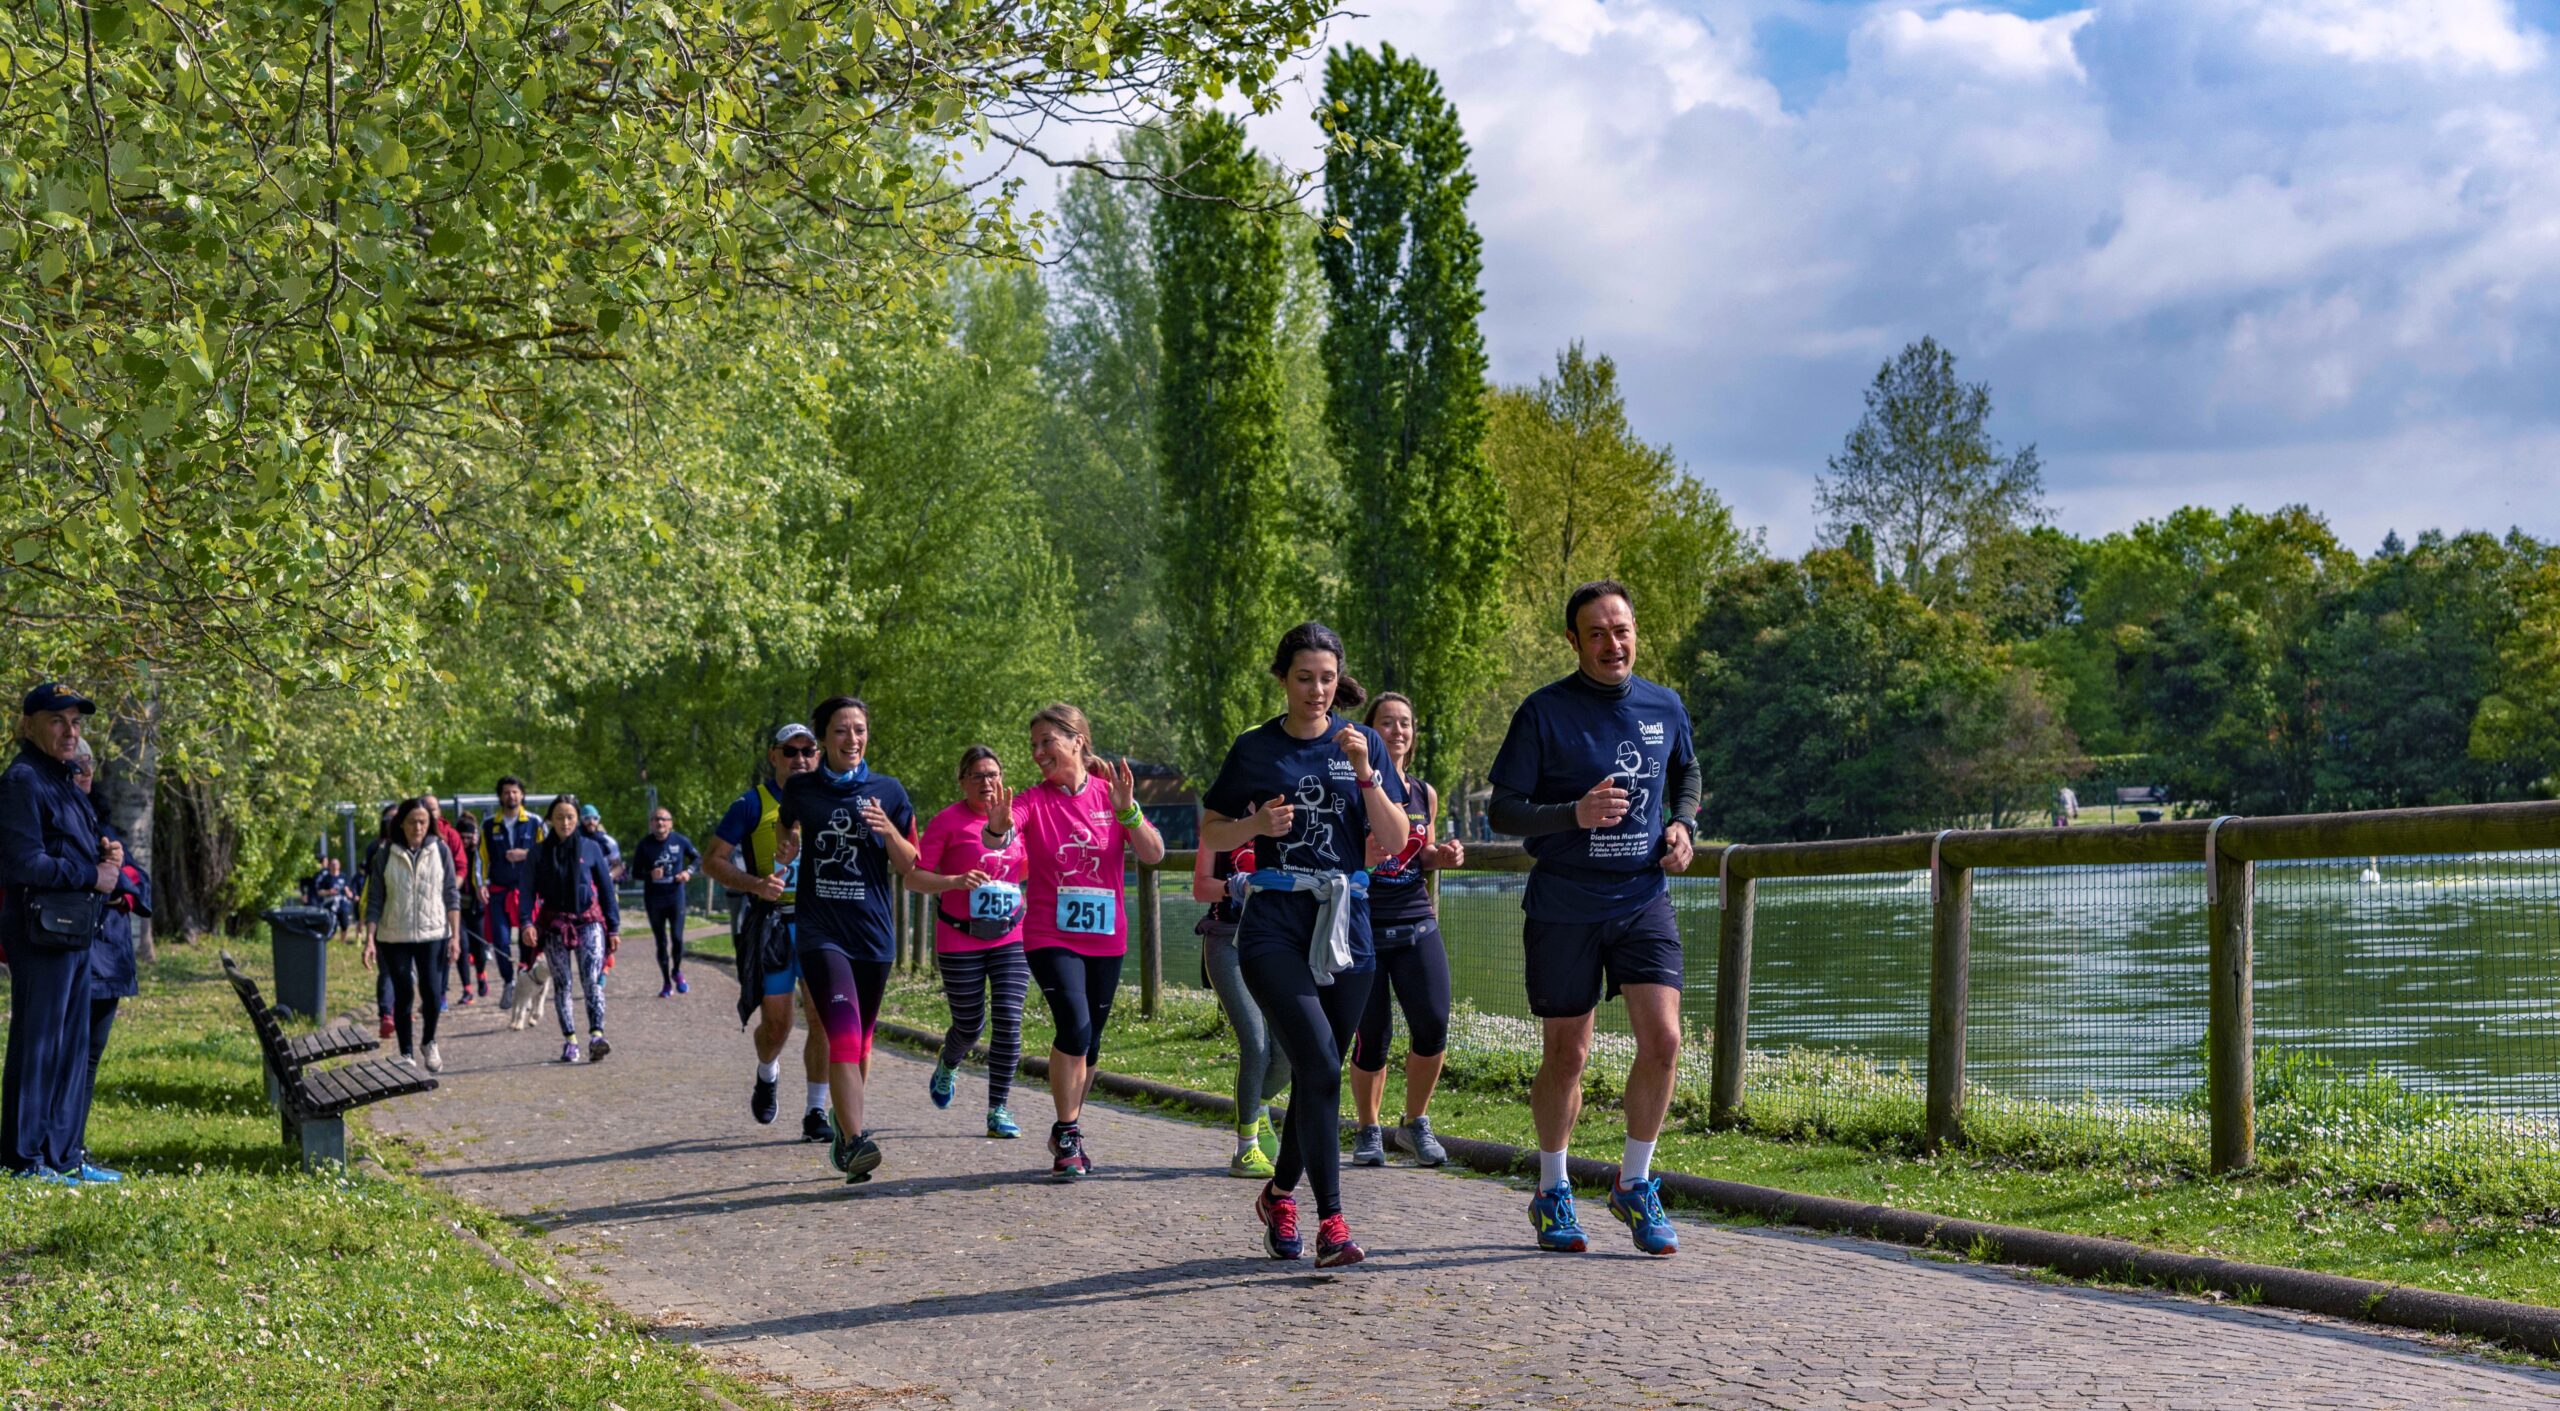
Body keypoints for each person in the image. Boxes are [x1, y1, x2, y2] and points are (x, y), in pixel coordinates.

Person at [1489, 579, 1699, 1257]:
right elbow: (1505, 809)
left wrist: (1683, 824)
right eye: (1599, 633)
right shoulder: (1544, 712)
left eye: (1623, 629)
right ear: (1575, 641)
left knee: (1664, 1039)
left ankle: (1634, 1183)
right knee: (1567, 1054)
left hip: (1640, 896)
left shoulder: (1664, 705)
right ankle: (1553, 1188)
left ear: (1638, 631)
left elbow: (1686, 774)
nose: (1614, 643)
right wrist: (1572, 815)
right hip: (1565, 903)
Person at [1198, 624, 1408, 1268]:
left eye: (1326, 678)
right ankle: (1333, 1224)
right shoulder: (1255, 748)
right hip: (1274, 926)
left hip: (1347, 925)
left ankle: (1279, 1194)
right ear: (1283, 679)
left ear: (1338, 680)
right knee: (1318, 1063)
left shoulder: (1363, 743)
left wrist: (1368, 775)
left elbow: (1396, 841)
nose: (1316, 690)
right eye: (1302, 677)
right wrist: (1254, 826)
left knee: (1319, 1074)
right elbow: (1210, 827)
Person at [981, 702, 1167, 1181]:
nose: (1039, 752)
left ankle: (1070, 1129)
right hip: (1049, 934)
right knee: (1076, 1029)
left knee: (1092, 1044)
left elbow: (1154, 853)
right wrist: (999, 824)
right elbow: (1001, 833)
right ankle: (1066, 1133)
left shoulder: (1111, 794)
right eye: (1034, 745)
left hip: (1106, 938)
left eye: (1048, 741)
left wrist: (1129, 811)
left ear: (1076, 741)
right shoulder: (1032, 799)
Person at [776, 696, 918, 1182]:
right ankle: (857, 1141)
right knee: (840, 1033)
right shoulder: (803, 788)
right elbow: (786, 823)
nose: (852, 739)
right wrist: (787, 840)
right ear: (823, 739)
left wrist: (887, 832)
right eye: (841, 730)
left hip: (873, 936)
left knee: (859, 1045)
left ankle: (843, 1129)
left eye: (859, 729)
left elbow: (910, 864)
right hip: (821, 933)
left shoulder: (890, 791)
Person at [0, 683, 121, 1184]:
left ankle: (63, 1155)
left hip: (74, 931)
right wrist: (91, 874)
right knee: (39, 1043)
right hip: (39, 929)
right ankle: (24, 1160)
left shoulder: (64, 780)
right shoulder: (22, 780)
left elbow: (76, 846)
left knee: (70, 1046)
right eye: (58, 721)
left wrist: (106, 857)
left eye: (76, 722)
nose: (70, 731)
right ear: (28, 724)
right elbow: (22, 861)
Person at [1347, 692, 1465, 1169]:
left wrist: (1444, 856)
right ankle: (1368, 1129)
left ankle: (1414, 1123)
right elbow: (1336, 850)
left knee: (1433, 1024)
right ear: (1371, 732)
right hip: (1365, 924)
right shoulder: (1356, 786)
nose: (1398, 731)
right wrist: (1363, 857)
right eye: (1388, 723)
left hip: (1417, 919)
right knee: (1372, 1036)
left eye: (1406, 724)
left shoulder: (1424, 792)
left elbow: (1424, 852)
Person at [708, 724, 833, 1140]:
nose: (800, 758)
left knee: (823, 1018)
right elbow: (714, 861)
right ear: (773, 756)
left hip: (821, 924)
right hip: (775, 925)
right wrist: (756, 884)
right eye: (790, 751)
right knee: (778, 1025)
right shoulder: (750, 804)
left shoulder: (830, 799)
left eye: (808, 751)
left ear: (818, 755)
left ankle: (816, 1113)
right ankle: (767, 1071)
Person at [908, 746, 1031, 1139]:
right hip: (959, 936)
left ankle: (998, 1109)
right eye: (976, 775)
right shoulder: (947, 822)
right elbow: (915, 878)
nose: (986, 782)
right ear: (962, 781)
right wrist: (954, 882)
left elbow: (1031, 869)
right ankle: (949, 1061)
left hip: (1010, 935)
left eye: (993, 774)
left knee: (1009, 1019)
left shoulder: (1017, 822)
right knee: (969, 1025)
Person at [64, 735, 147, 1184]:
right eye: (76, 767)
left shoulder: (103, 822)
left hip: (110, 962)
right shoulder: (53, 816)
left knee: (89, 1060)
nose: (85, 773)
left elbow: (139, 882)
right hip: (72, 956)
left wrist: (117, 877)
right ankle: (59, 1151)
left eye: (89, 766)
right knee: (65, 1058)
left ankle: (73, 1147)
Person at [1193, 831, 1287, 1178]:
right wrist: (1234, 886)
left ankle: (1258, 1107)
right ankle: (1246, 1147)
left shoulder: (1288, 817)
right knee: (1256, 1044)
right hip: (1226, 939)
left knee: (1291, 1050)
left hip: (1279, 942)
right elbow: (1201, 887)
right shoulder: (1221, 822)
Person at [363, 798, 463, 1072]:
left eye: (423, 822)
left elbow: (451, 894)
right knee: (404, 993)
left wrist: (455, 937)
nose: (418, 827)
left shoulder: (440, 850)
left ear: (430, 824)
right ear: (401, 824)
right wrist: (370, 939)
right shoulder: (385, 854)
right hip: (395, 935)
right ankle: (406, 1051)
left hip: (433, 933)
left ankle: (429, 1040)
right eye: (412, 822)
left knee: (432, 993)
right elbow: (375, 899)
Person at [529, 793, 621, 1063]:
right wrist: (526, 922)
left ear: (577, 818)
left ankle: (596, 1036)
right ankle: (570, 1041)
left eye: (570, 816)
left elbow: (606, 889)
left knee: (591, 980)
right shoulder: (539, 852)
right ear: (550, 820)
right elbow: (526, 891)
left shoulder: (591, 848)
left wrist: (613, 928)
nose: (565, 822)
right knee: (563, 984)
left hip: (588, 922)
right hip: (554, 923)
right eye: (559, 817)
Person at [478, 777, 541, 1009]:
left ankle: (525, 979)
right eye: (506, 792)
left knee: (528, 940)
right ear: (500, 796)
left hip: (526, 891)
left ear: (522, 795)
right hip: (498, 891)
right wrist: (481, 883)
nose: (511, 797)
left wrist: (526, 854)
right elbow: (481, 858)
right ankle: (509, 982)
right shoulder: (488, 825)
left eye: (515, 792)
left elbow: (544, 853)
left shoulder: (535, 822)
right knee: (501, 940)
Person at [630, 808, 701, 998]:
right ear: (651, 823)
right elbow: (634, 872)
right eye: (655, 820)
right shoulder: (645, 845)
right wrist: (650, 875)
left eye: (663, 819)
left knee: (677, 938)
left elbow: (697, 858)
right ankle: (666, 983)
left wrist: (688, 872)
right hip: (654, 899)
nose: (659, 823)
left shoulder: (680, 841)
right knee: (661, 942)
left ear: (670, 823)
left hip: (675, 897)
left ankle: (676, 970)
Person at [453, 808, 487, 1004]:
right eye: (462, 838)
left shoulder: (478, 853)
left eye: (468, 837)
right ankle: (467, 989)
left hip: (476, 908)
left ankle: (481, 975)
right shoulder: (453, 853)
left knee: (479, 948)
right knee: (462, 947)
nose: (465, 841)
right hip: (458, 910)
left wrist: (477, 849)